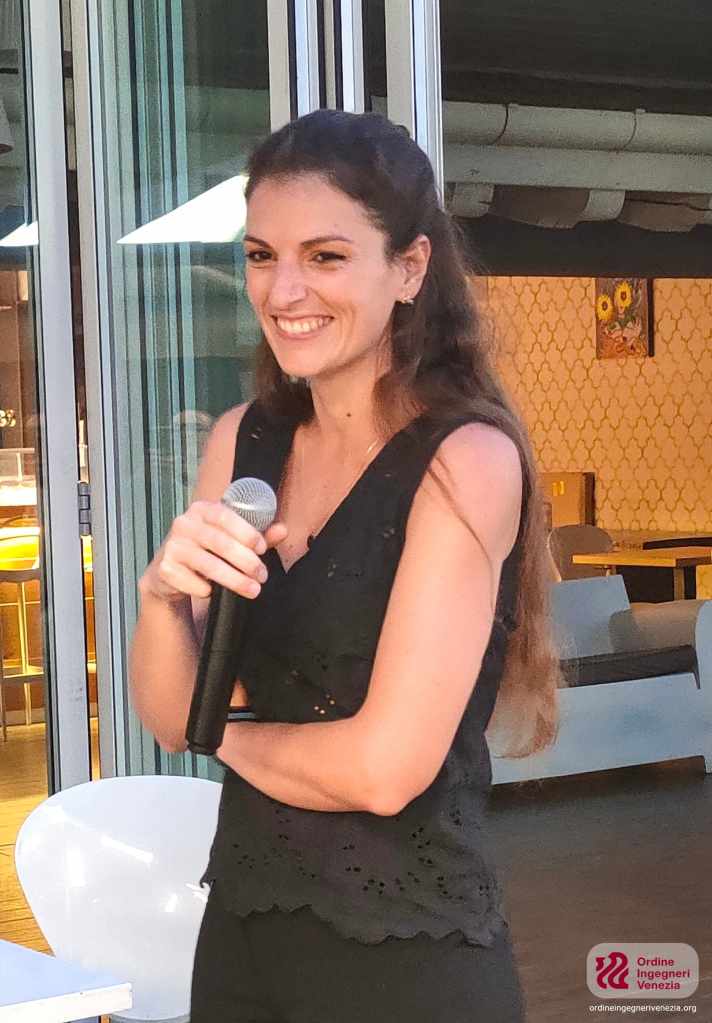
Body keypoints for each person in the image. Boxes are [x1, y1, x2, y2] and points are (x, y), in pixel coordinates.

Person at [129, 109, 562, 1022]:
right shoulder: (241, 442)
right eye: (260, 255)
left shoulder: (463, 461)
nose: (283, 289)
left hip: (407, 956)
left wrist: (221, 733)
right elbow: (168, 714)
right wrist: (162, 598)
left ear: (410, 268)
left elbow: (384, 769)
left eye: (325, 256)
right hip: (243, 937)